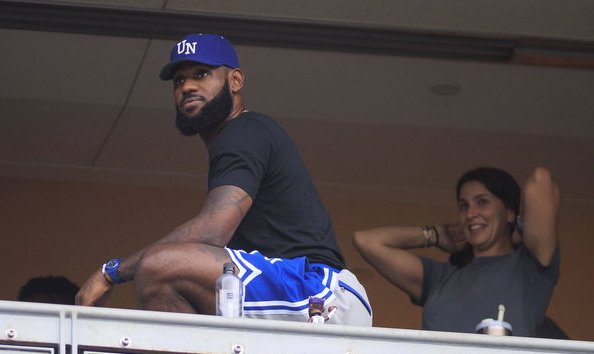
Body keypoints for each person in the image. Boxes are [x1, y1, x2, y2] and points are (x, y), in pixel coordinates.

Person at [76, 34, 372, 326]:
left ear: (235, 80)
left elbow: (212, 230)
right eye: (179, 80)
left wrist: (111, 273)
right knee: (188, 283)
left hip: (319, 290)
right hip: (305, 294)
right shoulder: (235, 139)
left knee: (160, 266)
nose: (187, 86)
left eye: (202, 74)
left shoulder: (243, 131)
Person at [353, 167, 560, 336]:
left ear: (509, 211)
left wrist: (518, 229)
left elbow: (541, 180)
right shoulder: (441, 277)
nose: (470, 213)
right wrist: (434, 235)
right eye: (464, 206)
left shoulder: (529, 267)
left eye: (482, 202)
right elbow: (366, 241)